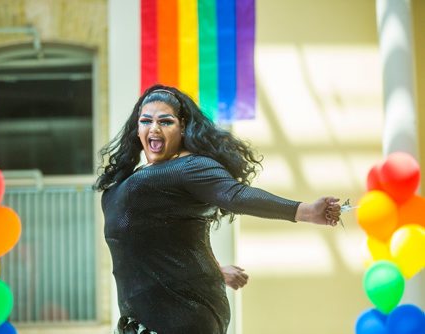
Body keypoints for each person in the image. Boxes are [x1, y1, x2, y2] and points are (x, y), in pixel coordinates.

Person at [95, 84, 341, 334]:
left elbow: (236, 195)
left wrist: (305, 211)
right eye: (146, 121)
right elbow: (161, 243)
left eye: (165, 121)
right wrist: (215, 271)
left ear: (182, 127)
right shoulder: (129, 182)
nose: (154, 128)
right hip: (139, 321)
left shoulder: (189, 167)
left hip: (182, 318)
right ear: (137, 130)